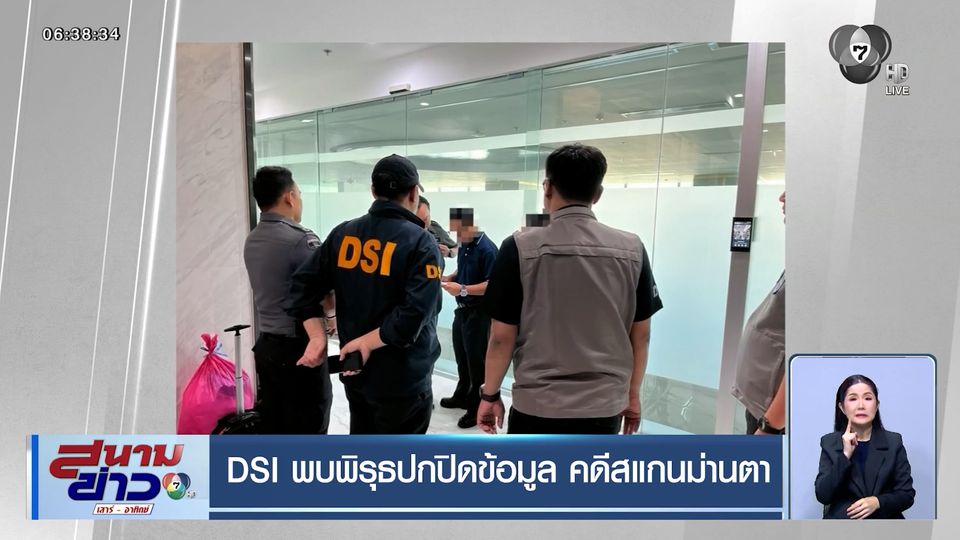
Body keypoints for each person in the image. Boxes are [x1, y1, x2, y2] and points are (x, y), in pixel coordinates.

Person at [477, 143, 663, 435]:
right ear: (597, 194)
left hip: (537, 405)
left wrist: (489, 395)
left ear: (547, 188)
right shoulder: (632, 249)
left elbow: (501, 337)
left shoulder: (518, 247)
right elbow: (641, 335)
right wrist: (633, 395)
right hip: (604, 406)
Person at [285, 154, 442, 434]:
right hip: (403, 381)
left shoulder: (343, 234)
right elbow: (414, 316)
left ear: (373, 191)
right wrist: (368, 342)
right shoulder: (422, 243)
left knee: (362, 449)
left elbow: (301, 286)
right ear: (413, 193)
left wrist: (318, 336)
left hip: (356, 373)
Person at [243, 166, 333, 434]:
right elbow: (325, 292)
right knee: (309, 428)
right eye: (300, 194)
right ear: (289, 197)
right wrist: (332, 318)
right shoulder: (300, 240)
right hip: (299, 349)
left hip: (267, 347)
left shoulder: (252, 239)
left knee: (276, 425)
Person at [815, 374, 915, 519]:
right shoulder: (829, 443)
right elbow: (823, 495)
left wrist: (877, 502)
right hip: (843, 526)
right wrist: (845, 456)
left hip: (885, 524)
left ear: (877, 405)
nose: (861, 405)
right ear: (842, 407)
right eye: (853, 399)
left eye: (868, 398)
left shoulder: (893, 442)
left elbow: (906, 494)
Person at [731, 192, 786, 435]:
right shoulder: (807, 257)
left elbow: (807, 355)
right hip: (764, 407)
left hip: (773, 418)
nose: (782, 197)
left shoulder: (820, 266)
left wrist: (770, 427)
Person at [439, 208, 498, 429]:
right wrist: (451, 277)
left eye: (459, 231)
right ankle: (462, 395)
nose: (456, 237)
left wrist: (462, 289)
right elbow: (463, 268)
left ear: (472, 227)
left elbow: (491, 285)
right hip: (462, 311)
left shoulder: (488, 249)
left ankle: (475, 409)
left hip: (478, 313)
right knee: (462, 357)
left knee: (476, 363)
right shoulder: (466, 244)